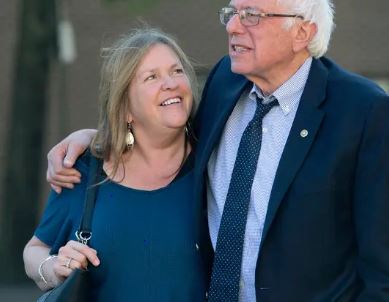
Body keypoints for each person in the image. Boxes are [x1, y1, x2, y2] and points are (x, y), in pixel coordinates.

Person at [46, 0, 389, 301]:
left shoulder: (363, 112)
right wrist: (96, 138)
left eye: (252, 15)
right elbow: (165, 131)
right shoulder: (226, 79)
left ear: (302, 32)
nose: (233, 26)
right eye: (233, 12)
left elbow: (382, 270)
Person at [23, 28, 210, 301]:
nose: (170, 83)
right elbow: (35, 249)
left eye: (177, 71)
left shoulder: (214, 164)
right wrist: (53, 267)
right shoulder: (83, 171)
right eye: (151, 77)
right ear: (126, 109)